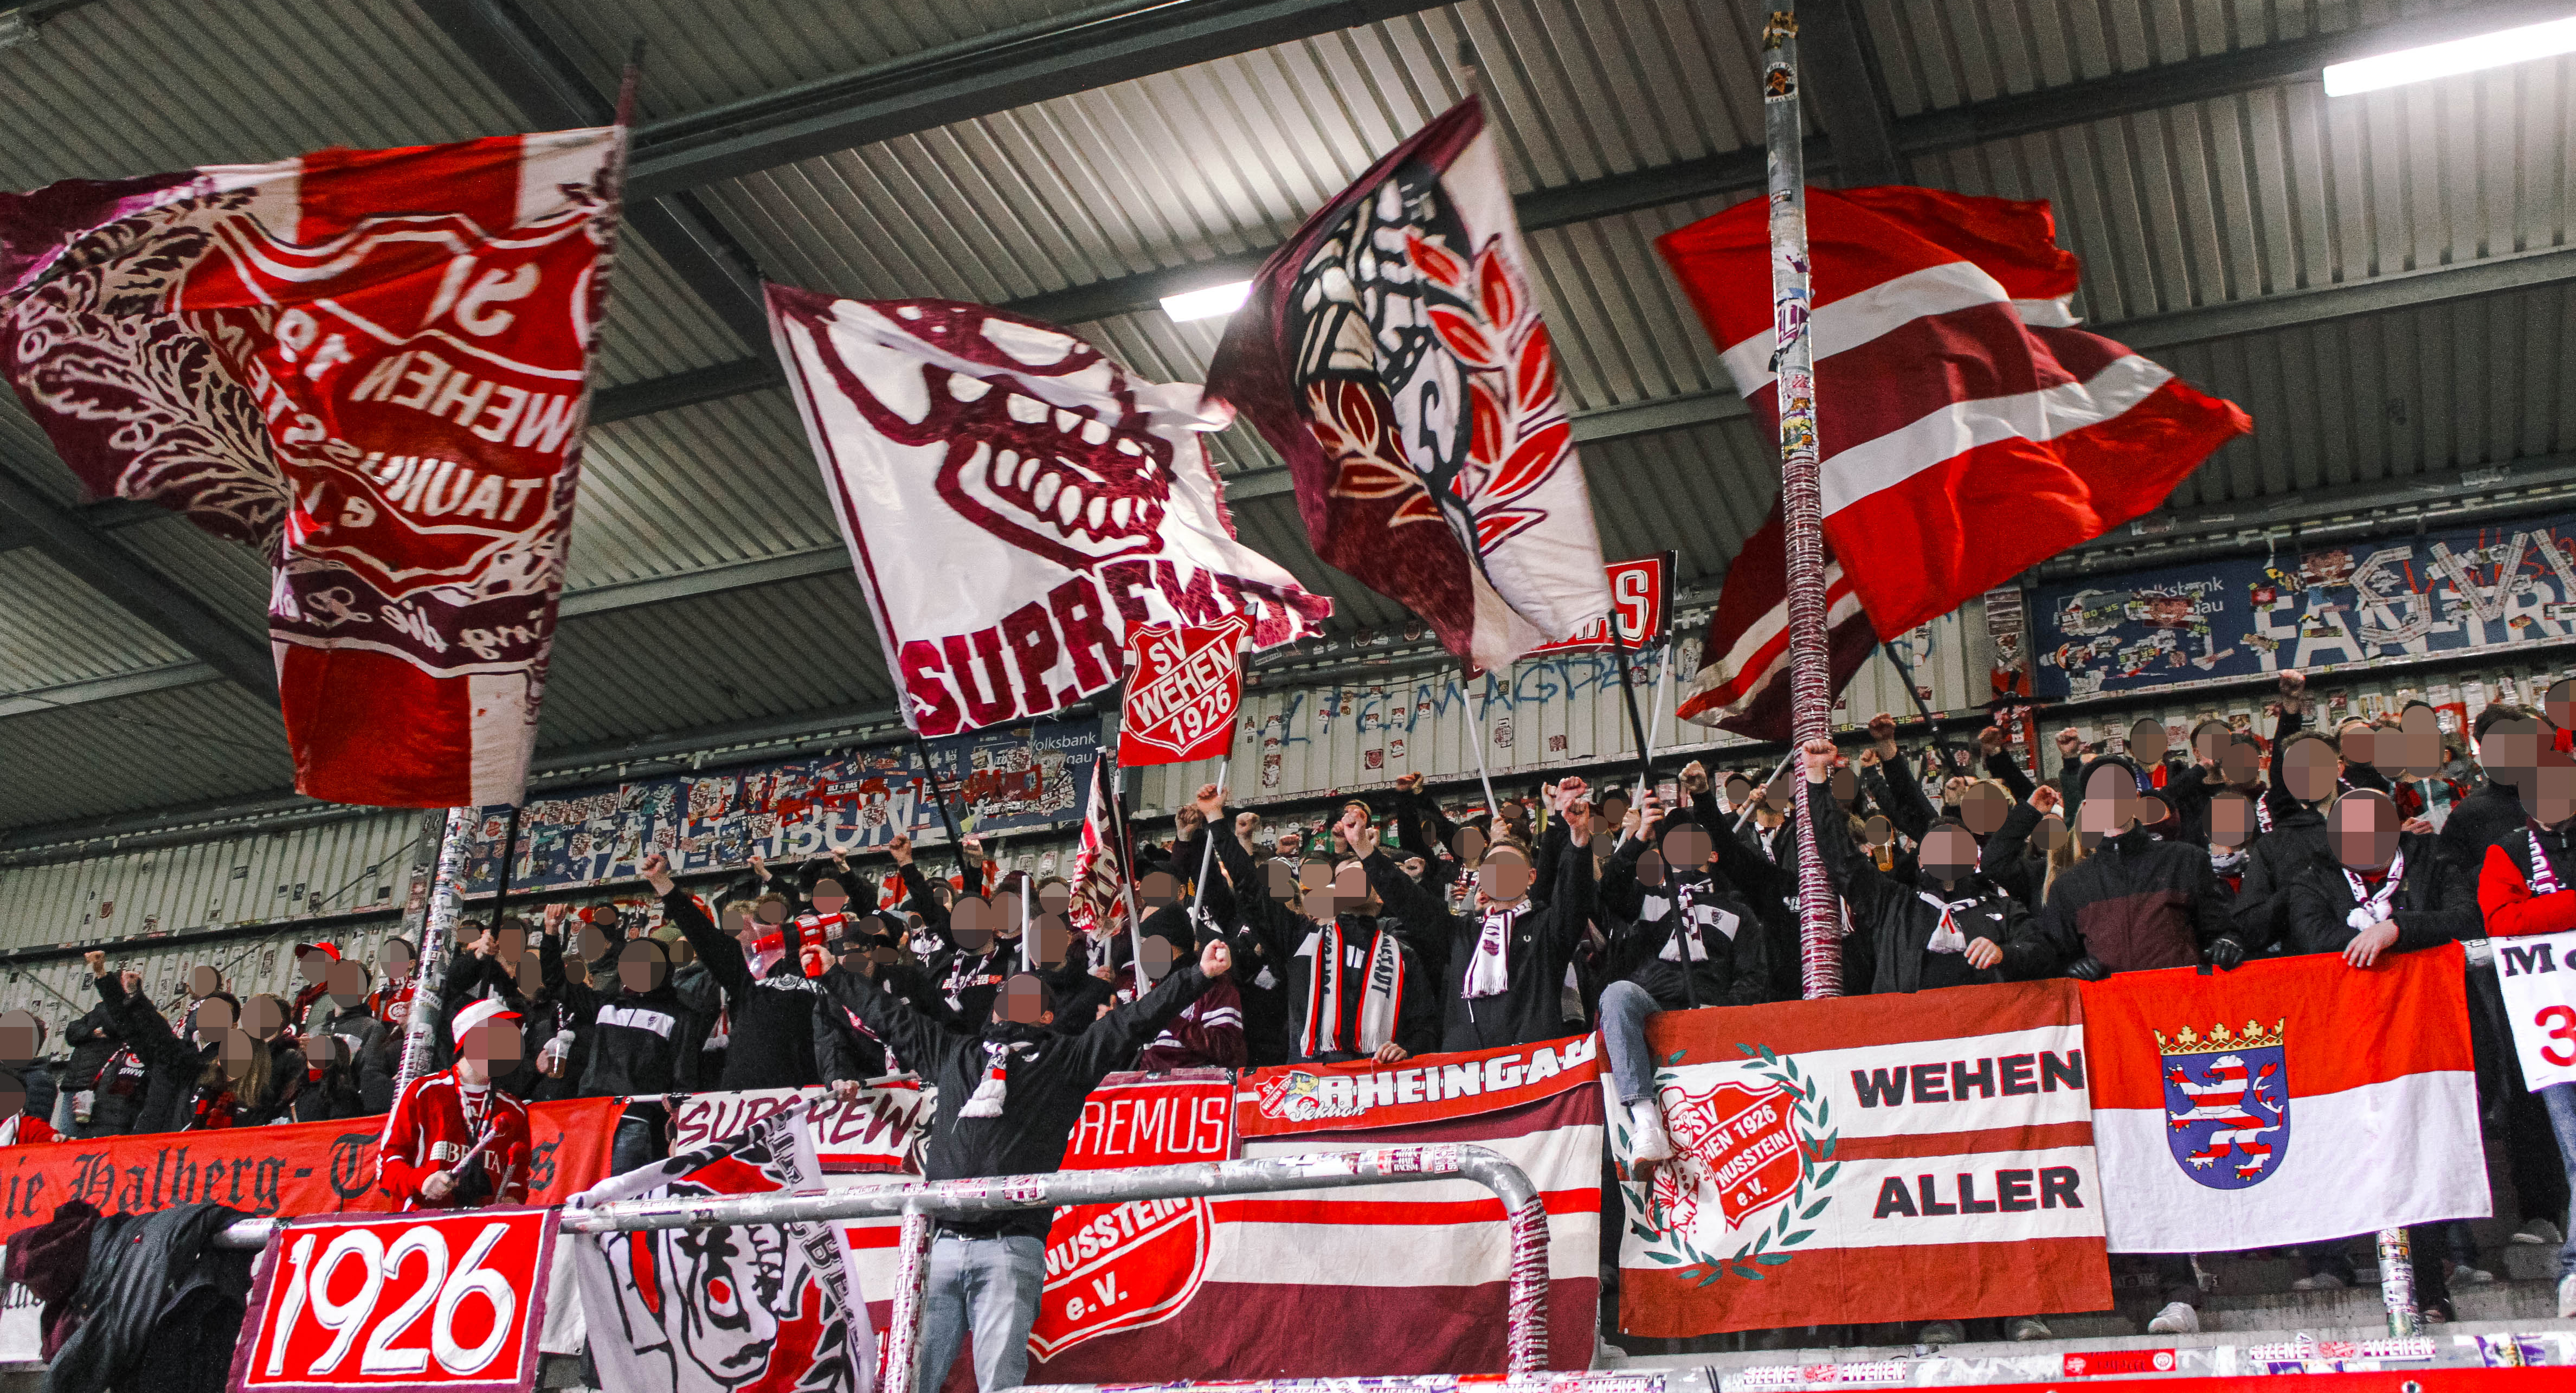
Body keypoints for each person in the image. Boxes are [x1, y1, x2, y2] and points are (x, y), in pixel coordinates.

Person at [813, 919, 1234, 1392]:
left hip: (1011, 1244)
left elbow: (1133, 1019)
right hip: (939, 1246)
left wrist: (1197, 974)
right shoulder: (954, 1053)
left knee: (1000, 1384)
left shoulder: (1069, 1060)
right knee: (908, 1382)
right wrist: (833, 975)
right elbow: (891, 1016)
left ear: (1048, 1018)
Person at [1596, 786, 1774, 1173]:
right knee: (1616, 995)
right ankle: (1645, 1124)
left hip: (1711, 1011)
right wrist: (1640, 835)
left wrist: (1719, 1011)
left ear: (1712, 854)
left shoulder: (1738, 910)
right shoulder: (1647, 899)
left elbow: (1752, 975)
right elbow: (1608, 890)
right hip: (1653, 999)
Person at [645, 853, 823, 1092]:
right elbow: (702, 932)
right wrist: (662, 882)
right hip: (746, 1092)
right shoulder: (743, 969)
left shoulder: (826, 967)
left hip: (810, 1094)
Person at [376, 998, 533, 1210]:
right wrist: (422, 1181)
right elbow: (388, 1165)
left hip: (484, 1231)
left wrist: (512, 1200)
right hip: (422, 1227)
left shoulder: (514, 1110)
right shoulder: (424, 1091)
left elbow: (518, 1176)